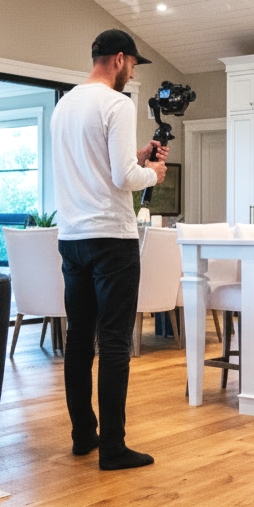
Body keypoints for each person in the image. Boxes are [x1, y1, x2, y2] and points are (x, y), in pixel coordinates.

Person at [51, 29, 168, 471]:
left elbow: (98, 166)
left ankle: (85, 435)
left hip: (73, 238)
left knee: (79, 338)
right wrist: (154, 171)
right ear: (119, 59)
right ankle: (114, 448)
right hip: (112, 241)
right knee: (115, 342)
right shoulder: (118, 103)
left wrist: (136, 156)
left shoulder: (65, 104)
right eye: (133, 66)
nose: (131, 74)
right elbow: (124, 179)